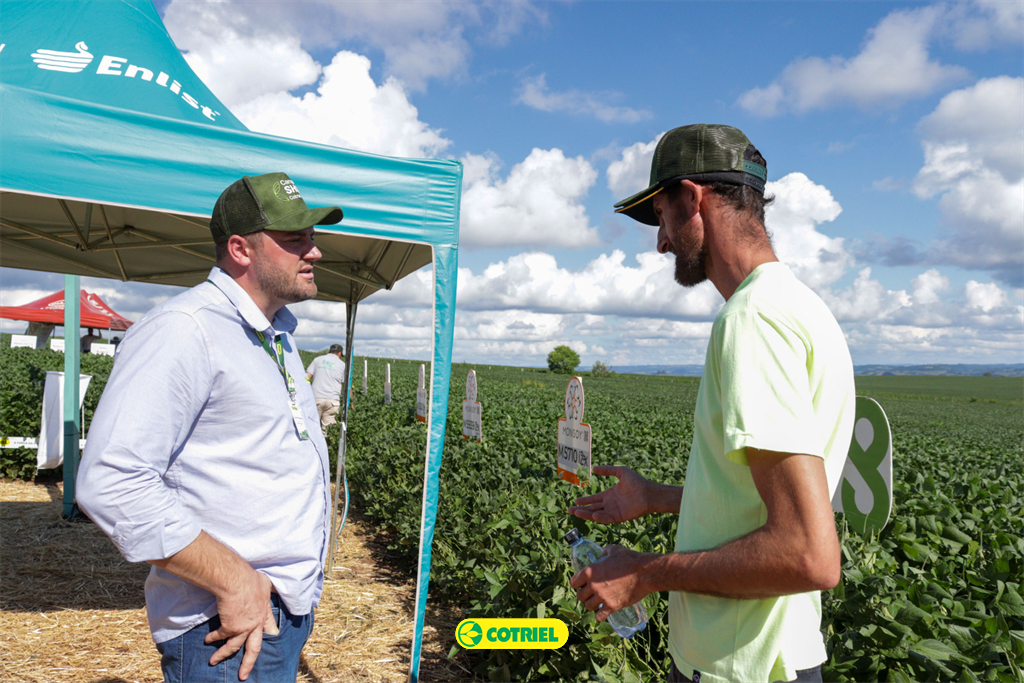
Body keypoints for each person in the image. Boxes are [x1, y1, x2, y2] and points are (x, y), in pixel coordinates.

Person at [568, 124, 855, 683]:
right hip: (773, 655)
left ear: (693, 199)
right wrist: (655, 497)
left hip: (741, 664)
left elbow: (806, 554)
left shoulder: (752, 321)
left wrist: (645, 573)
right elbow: (767, 506)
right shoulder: (801, 308)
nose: (661, 241)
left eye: (661, 216)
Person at [77, 172, 344, 683]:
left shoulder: (276, 334)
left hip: (275, 609)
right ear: (241, 249)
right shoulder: (186, 329)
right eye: (295, 239)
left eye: (311, 237)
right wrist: (235, 581)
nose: (314, 251)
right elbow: (110, 481)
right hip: (224, 622)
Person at [305, 343, 346, 430]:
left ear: (330, 351)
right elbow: (346, 385)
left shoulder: (317, 360)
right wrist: (351, 402)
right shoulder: (343, 365)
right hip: (333, 401)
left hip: (316, 398)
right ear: (339, 353)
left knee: (312, 427)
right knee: (328, 430)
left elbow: (306, 377)